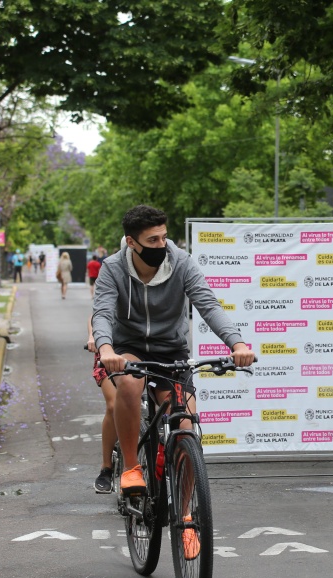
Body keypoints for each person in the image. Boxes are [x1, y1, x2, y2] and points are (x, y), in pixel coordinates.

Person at [92, 205, 254, 557]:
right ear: (132, 242)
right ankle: (133, 468)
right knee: (131, 384)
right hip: (128, 348)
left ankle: (186, 516)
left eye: (164, 236)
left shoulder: (181, 262)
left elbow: (208, 305)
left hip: (172, 350)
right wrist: (106, 347)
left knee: (186, 425)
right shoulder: (112, 268)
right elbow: (102, 312)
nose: (161, 244)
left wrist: (237, 343)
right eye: (152, 239)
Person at [87, 315, 118, 493]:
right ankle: (106, 467)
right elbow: (97, 312)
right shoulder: (110, 286)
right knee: (114, 405)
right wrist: (93, 336)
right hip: (108, 351)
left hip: (141, 348)